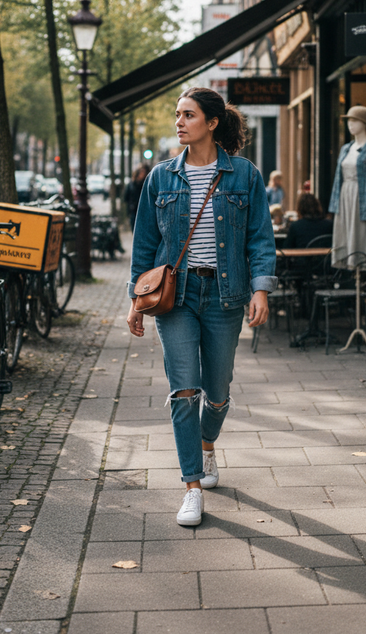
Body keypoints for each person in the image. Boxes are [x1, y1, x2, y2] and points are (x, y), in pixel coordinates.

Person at [127, 87, 277, 527]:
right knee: (184, 391)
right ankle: (191, 487)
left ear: (211, 123)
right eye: (177, 114)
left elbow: (260, 238)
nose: (179, 122)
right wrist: (136, 301)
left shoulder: (244, 174)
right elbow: (144, 244)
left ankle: (207, 444)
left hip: (226, 295)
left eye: (188, 115)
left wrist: (261, 289)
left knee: (217, 393)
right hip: (176, 297)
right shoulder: (161, 178)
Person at [329, 105, 366, 270]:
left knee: (362, 236)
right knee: (346, 235)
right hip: (345, 196)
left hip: (362, 198)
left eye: (355, 120)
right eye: (349, 121)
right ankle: (351, 266)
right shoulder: (345, 148)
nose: (350, 124)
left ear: (365, 124)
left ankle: (361, 268)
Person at [124, 164, 150, 231]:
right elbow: (126, 197)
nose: (142, 173)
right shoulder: (132, 183)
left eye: (144, 172)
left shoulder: (147, 184)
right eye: (141, 171)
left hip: (145, 212)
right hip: (134, 210)